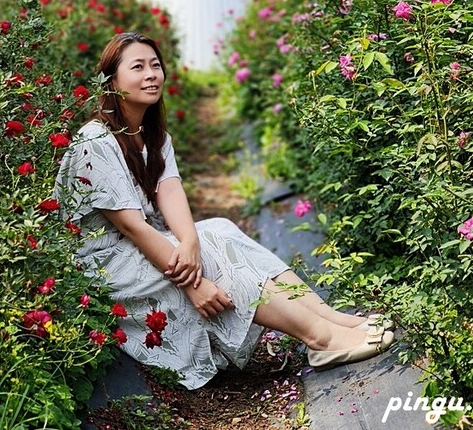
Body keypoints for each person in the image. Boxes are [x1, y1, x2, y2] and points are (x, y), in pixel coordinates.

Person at [53, 32, 395, 389]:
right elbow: (133, 228)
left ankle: (329, 317)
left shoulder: (153, 135)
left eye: (155, 65)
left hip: (136, 246)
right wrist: (194, 283)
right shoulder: (96, 142)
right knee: (214, 253)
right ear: (112, 81)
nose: (151, 74)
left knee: (219, 229)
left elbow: (170, 192)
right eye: (137, 67)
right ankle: (320, 340)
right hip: (104, 264)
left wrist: (189, 243)